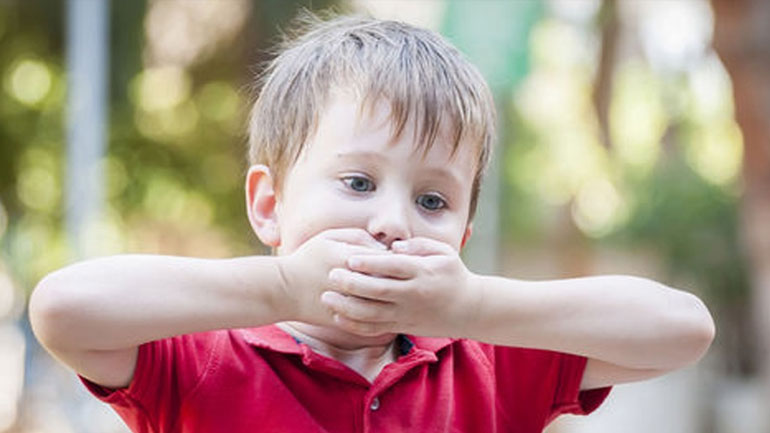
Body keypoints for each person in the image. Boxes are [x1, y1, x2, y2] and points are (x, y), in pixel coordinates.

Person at [29, 13, 715, 433]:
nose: (391, 222)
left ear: (463, 237)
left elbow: (683, 329)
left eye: (433, 201)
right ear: (269, 204)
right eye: (357, 182)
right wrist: (282, 290)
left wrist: (473, 303)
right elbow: (63, 308)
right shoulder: (202, 357)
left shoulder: (489, 361)